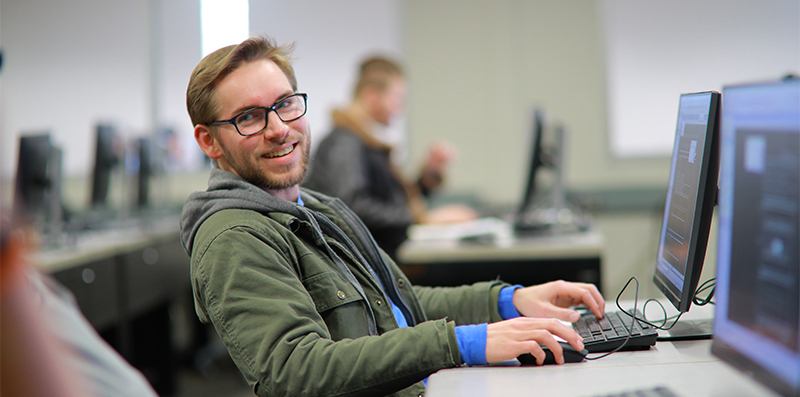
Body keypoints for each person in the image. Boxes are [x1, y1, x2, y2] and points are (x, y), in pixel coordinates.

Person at [181, 34, 605, 397]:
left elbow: (400, 303)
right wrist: (460, 344)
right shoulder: (235, 236)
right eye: (249, 118)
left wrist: (508, 301)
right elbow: (295, 371)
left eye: (286, 104)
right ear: (209, 142)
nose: (278, 128)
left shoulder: (318, 208)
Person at [303, 56, 477, 259]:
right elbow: (352, 207)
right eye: (398, 98)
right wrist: (422, 219)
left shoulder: (363, 141)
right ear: (372, 96)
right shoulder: (344, 142)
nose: (402, 108)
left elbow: (386, 201)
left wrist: (427, 177)